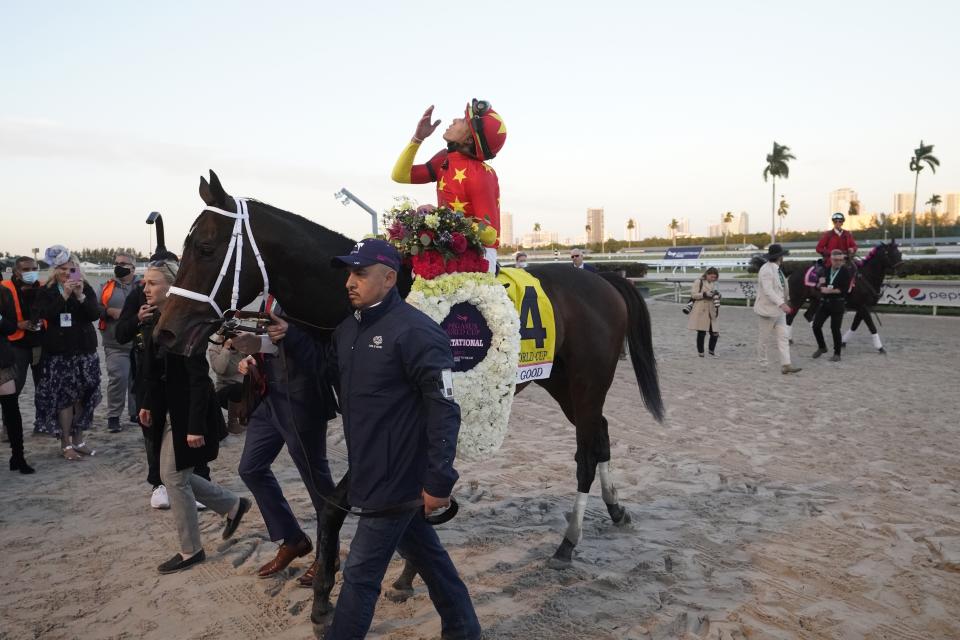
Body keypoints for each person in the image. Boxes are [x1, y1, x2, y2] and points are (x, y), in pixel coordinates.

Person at [324, 239, 480, 639]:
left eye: (360, 273)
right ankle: (464, 631)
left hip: (399, 477)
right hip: (367, 469)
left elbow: (445, 409)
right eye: (348, 272)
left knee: (359, 572)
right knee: (430, 560)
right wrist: (276, 341)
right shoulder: (346, 330)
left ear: (389, 278)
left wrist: (439, 480)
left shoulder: (417, 332)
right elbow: (324, 376)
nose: (349, 282)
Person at [138, 260, 251, 574]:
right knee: (171, 475)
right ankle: (232, 505)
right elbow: (154, 372)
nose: (145, 288)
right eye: (144, 282)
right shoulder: (153, 319)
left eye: (152, 283)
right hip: (167, 410)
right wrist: (148, 403)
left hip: (188, 413)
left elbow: (199, 380)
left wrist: (194, 426)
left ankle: (190, 550)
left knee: (174, 478)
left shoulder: (186, 323)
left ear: (170, 287)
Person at [232, 296, 338, 584]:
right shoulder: (269, 294)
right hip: (268, 396)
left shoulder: (309, 295)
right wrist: (253, 356)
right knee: (250, 468)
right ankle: (293, 539)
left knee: (317, 481)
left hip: (302, 398)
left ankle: (329, 556)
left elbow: (326, 354)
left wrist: (287, 337)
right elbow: (268, 341)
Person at [391, 100, 507, 274]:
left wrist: (438, 218)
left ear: (469, 139)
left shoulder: (483, 174)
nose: (454, 120)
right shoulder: (444, 159)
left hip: (479, 255)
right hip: (447, 250)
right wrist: (418, 138)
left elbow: (489, 233)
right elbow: (400, 175)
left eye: (462, 120)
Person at [33, 246, 102, 460]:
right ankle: (66, 444)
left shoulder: (86, 287)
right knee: (64, 399)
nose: (66, 272)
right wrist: (64, 294)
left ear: (77, 269)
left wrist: (80, 296)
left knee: (83, 397)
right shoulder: (47, 290)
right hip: (60, 353)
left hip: (85, 351)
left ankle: (78, 439)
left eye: (71, 268)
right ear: (55, 269)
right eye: (62, 268)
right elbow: (47, 315)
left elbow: (94, 314)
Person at [98, 252, 140, 433]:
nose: (119, 266)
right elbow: (94, 307)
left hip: (139, 342)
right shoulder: (106, 286)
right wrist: (108, 311)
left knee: (137, 379)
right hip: (114, 343)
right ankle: (114, 415)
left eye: (123, 263)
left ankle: (135, 413)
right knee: (119, 377)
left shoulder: (143, 285)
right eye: (116, 263)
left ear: (133, 267)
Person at [1, 284, 35, 473]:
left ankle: (18, 457)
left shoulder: (3, 293)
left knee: (11, 408)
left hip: (2, 361)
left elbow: (11, 326)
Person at [754, 244, 802, 375]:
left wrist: (786, 301)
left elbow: (781, 287)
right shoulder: (766, 270)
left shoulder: (777, 269)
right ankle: (762, 363)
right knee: (764, 338)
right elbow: (768, 290)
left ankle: (786, 364)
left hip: (779, 311)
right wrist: (782, 304)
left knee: (783, 337)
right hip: (768, 310)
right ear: (780, 257)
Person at [812, 250, 852, 362]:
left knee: (835, 329)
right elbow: (819, 284)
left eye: (841, 260)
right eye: (836, 260)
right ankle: (822, 347)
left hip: (837, 304)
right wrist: (820, 286)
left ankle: (837, 353)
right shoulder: (825, 270)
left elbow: (844, 290)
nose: (838, 262)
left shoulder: (845, 272)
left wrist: (830, 291)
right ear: (831, 259)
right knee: (816, 326)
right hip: (825, 303)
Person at [207, 336, 246, 434]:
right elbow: (220, 369)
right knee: (237, 388)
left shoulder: (242, 347)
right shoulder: (215, 348)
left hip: (245, 389)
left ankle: (246, 416)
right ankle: (232, 423)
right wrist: (226, 348)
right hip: (224, 391)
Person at [688, 267, 721, 357]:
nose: (713, 279)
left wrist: (717, 295)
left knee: (715, 332)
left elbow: (714, 293)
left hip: (711, 309)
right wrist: (704, 294)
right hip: (701, 309)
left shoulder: (713, 283)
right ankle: (701, 352)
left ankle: (711, 350)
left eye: (715, 277)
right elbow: (693, 295)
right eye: (711, 277)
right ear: (707, 274)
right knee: (702, 332)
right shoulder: (699, 281)